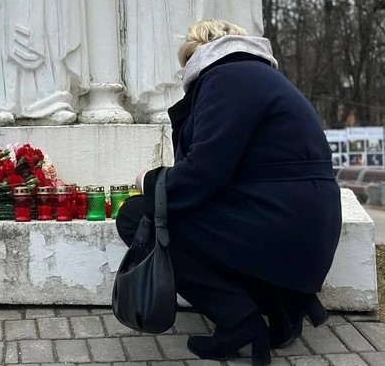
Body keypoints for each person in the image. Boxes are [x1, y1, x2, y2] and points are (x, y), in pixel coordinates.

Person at [117, 19, 342, 364]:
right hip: (303, 225)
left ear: (195, 56)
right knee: (178, 211)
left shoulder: (225, 79)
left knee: (139, 216)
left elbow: (204, 173)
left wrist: (149, 180)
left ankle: (241, 323)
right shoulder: (260, 77)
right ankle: (284, 308)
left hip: (281, 224)